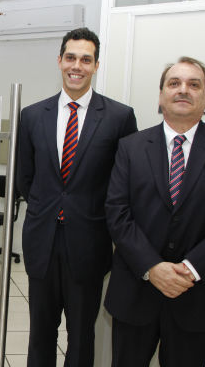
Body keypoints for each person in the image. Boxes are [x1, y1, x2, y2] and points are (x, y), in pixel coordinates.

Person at [104, 56, 205, 367]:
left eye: (193, 84)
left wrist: (191, 268)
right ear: (161, 96)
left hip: (198, 293)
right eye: (174, 83)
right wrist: (152, 267)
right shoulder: (130, 147)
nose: (183, 89)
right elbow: (117, 212)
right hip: (136, 290)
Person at [16, 27, 137, 367]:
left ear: (96, 65)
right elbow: (25, 177)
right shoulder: (32, 116)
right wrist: (50, 208)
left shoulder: (119, 117)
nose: (77, 66)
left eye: (86, 60)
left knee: (82, 335)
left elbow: (124, 184)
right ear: (59, 60)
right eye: (71, 57)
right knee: (40, 333)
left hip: (89, 244)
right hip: (42, 242)